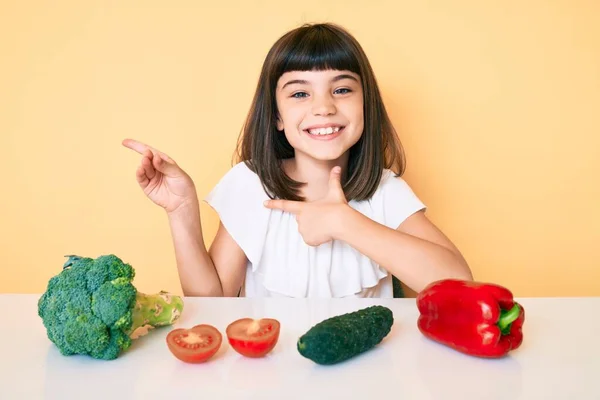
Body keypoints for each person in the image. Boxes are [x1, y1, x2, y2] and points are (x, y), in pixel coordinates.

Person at [122, 22, 473, 298]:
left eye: (342, 89)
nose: (324, 107)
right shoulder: (251, 185)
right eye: (300, 93)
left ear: (365, 105)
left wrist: (344, 222)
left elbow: (458, 282)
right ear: (276, 116)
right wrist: (181, 211)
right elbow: (212, 300)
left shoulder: (383, 190)